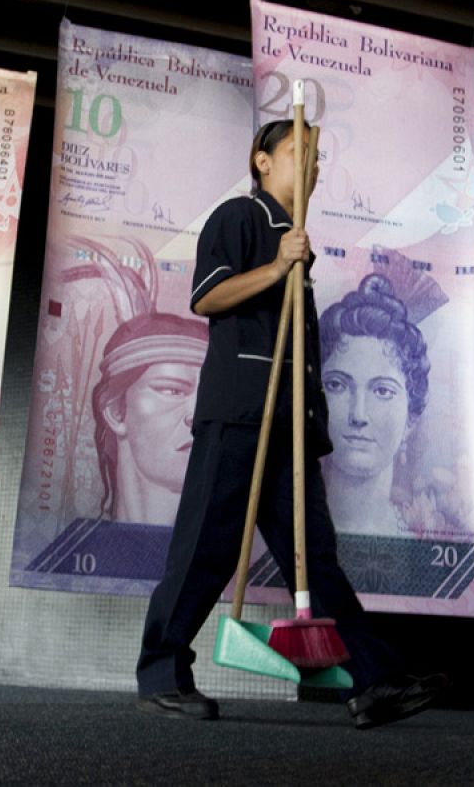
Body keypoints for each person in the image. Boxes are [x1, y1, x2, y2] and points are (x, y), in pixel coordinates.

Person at [136, 119, 446, 728]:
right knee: (206, 549)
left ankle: (373, 680)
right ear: (261, 162)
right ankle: (161, 674)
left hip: (292, 426)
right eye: (297, 153)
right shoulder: (241, 218)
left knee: (316, 557)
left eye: (318, 157)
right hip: (241, 414)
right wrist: (279, 267)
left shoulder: (297, 241)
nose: (311, 166)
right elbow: (208, 297)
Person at [319, 274, 430, 534]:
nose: (358, 415)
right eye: (337, 385)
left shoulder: (420, 535)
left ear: (411, 419)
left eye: (382, 390)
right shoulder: (280, 533)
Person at [91, 312, 207, 524]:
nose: (197, 416)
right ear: (116, 411)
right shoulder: (71, 550)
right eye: (172, 391)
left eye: (213, 397)